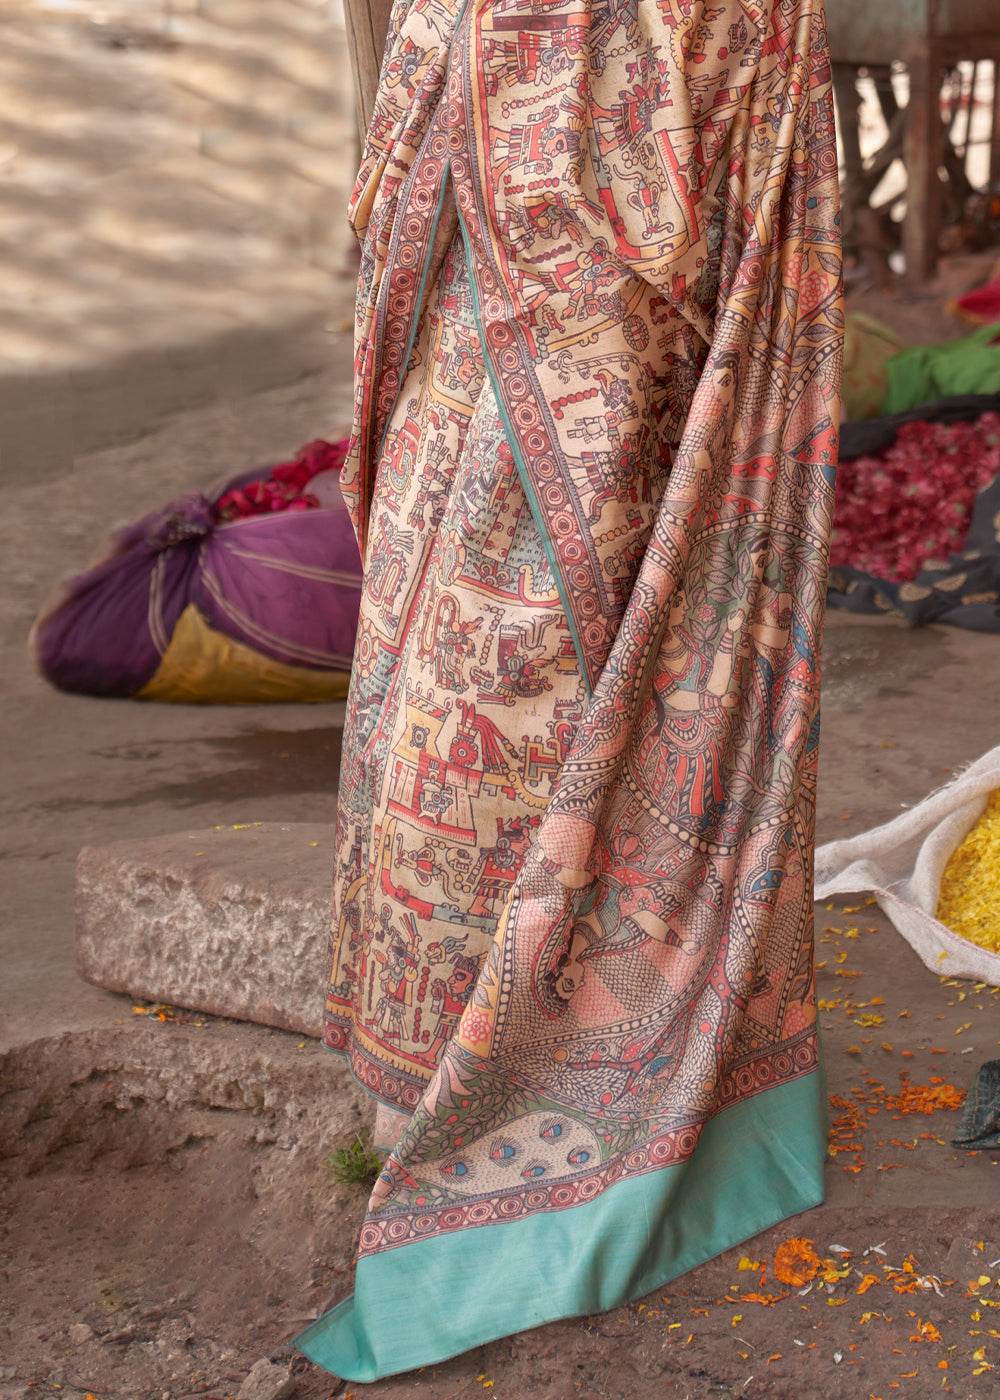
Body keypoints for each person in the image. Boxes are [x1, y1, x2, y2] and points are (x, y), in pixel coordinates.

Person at [298, 0, 842, 1380]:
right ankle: (445, 1052)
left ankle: (483, 1056)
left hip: (638, 76)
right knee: (475, 587)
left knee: (580, 568)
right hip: (530, 86)